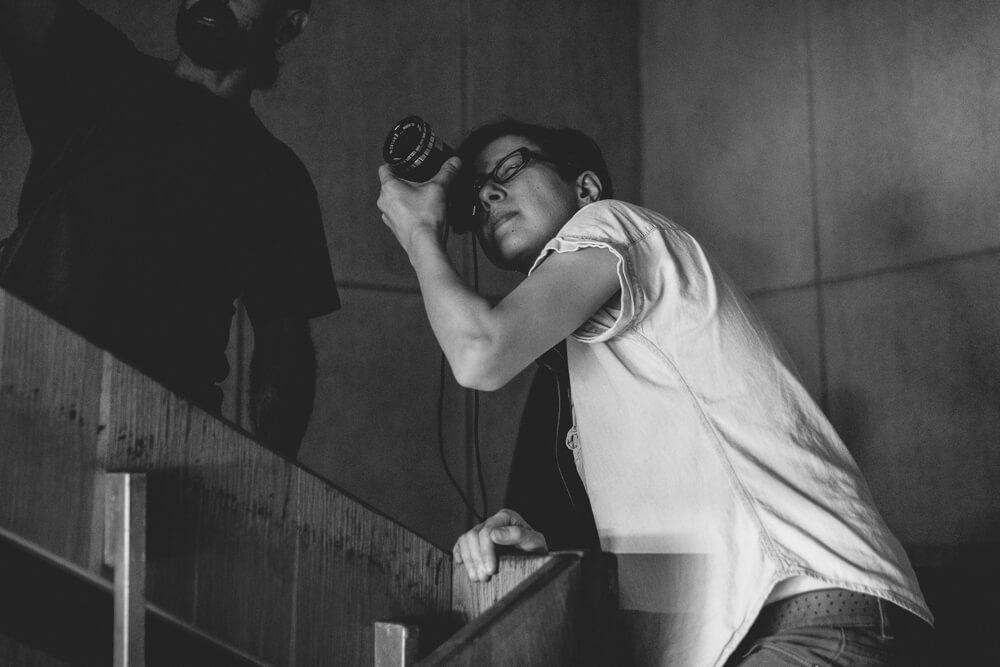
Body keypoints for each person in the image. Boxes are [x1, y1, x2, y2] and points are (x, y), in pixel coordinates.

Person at [377, 119, 933, 666]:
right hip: (765, 632)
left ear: (586, 187)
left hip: (808, 618)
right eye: (476, 195)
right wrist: (551, 561)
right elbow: (686, 553)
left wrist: (419, 233)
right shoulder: (603, 357)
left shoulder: (613, 224)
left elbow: (480, 351)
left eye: (511, 167)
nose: (490, 192)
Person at [0, 0, 339, 457]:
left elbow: (284, 347)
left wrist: (276, 482)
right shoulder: (93, 64)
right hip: (18, 386)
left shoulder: (277, 176)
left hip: (158, 440)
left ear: (289, 25)